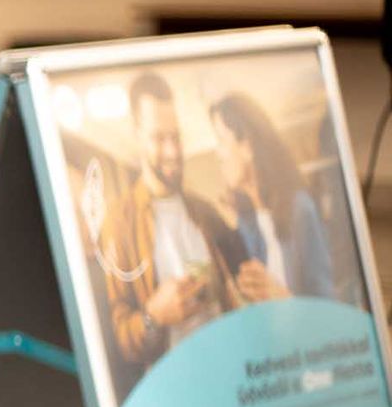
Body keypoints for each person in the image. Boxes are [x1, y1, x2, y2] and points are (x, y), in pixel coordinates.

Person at [98, 71, 273, 381]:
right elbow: (120, 340)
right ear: (137, 135)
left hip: (232, 375)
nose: (172, 152)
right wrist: (153, 316)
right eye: (158, 138)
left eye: (176, 137)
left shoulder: (204, 211)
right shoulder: (118, 223)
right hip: (176, 388)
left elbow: (249, 278)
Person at [209, 91, 337, 301]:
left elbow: (327, 304)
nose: (218, 153)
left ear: (247, 147)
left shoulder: (300, 209)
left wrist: (282, 297)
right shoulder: (246, 220)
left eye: (221, 140)